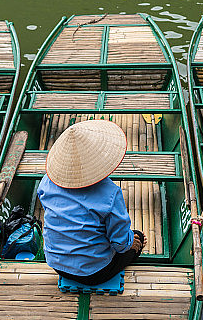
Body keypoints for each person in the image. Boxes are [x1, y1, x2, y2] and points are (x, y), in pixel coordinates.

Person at [37, 119, 144, 285]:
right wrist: (132, 242)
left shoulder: (47, 181)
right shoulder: (110, 193)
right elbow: (120, 244)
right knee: (138, 237)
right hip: (94, 272)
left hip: (54, 262)